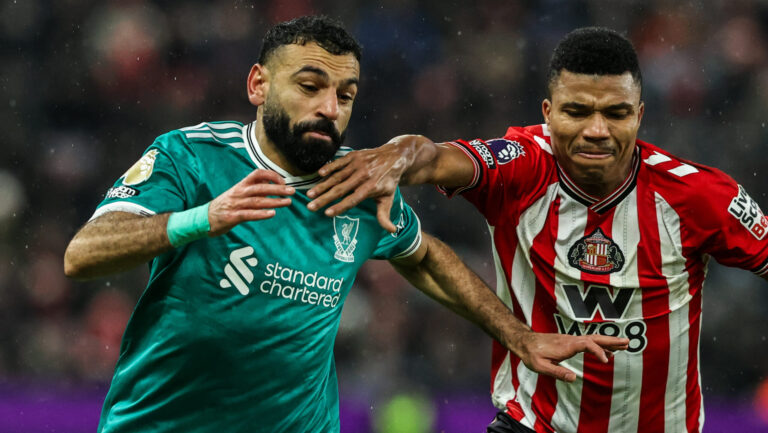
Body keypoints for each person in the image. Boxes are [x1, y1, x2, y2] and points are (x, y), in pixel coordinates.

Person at [63, 17, 627, 433]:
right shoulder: (192, 157)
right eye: (310, 87)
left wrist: (517, 335)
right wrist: (200, 219)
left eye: (345, 94)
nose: (330, 108)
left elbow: (423, 255)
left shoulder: (356, 181)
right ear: (258, 85)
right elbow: (82, 255)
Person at [306, 27, 768, 433]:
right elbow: (434, 157)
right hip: (531, 424)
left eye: (616, 113)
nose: (597, 130)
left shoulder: (698, 195)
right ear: (548, 112)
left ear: (640, 115)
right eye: (577, 111)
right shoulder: (522, 168)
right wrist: (401, 154)